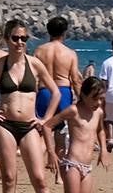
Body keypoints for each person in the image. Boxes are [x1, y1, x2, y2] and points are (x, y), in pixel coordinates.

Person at [0, 19, 65, 193]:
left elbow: (55, 92)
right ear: (7, 39)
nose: (20, 42)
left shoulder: (34, 64)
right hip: (5, 125)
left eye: (24, 38)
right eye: (15, 38)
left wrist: (45, 120)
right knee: (9, 178)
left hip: (28, 125)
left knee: (39, 178)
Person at [41, 77, 108, 193]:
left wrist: (104, 150)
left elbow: (100, 130)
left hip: (87, 167)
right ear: (83, 95)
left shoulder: (99, 112)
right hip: (72, 165)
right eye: (94, 98)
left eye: (101, 98)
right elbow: (47, 126)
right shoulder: (73, 111)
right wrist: (51, 153)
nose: (98, 103)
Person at [33, 15, 80, 174]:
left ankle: (38, 171)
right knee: (60, 134)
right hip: (63, 92)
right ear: (65, 32)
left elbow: (33, 76)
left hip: (44, 92)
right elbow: (75, 79)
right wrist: (81, 99)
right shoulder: (70, 53)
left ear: (48, 31)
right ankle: (59, 176)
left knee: (41, 133)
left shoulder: (39, 50)